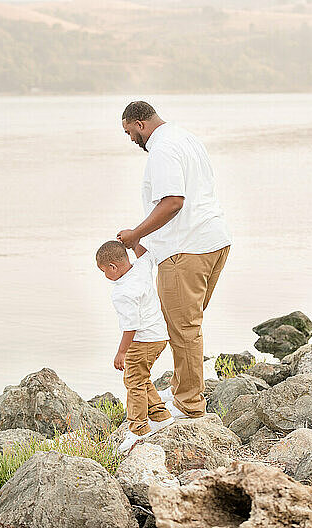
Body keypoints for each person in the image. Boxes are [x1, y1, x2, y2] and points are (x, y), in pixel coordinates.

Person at [117, 101, 232, 419]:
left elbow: (172, 203)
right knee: (186, 324)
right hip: (213, 242)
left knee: (183, 328)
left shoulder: (162, 149)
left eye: (129, 133)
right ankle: (183, 386)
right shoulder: (186, 138)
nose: (130, 140)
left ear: (139, 124)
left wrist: (136, 235)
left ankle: (190, 404)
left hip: (187, 250)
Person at [96, 239, 173, 453]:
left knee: (133, 382)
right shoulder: (140, 268)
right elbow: (146, 255)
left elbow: (131, 326)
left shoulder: (122, 292)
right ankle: (160, 415)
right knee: (141, 377)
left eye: (104, 271)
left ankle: (138, 429)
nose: (105, 276)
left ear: (113, 267)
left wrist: (121, 352)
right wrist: (134, 241)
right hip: (159, 336)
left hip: (143, 340)